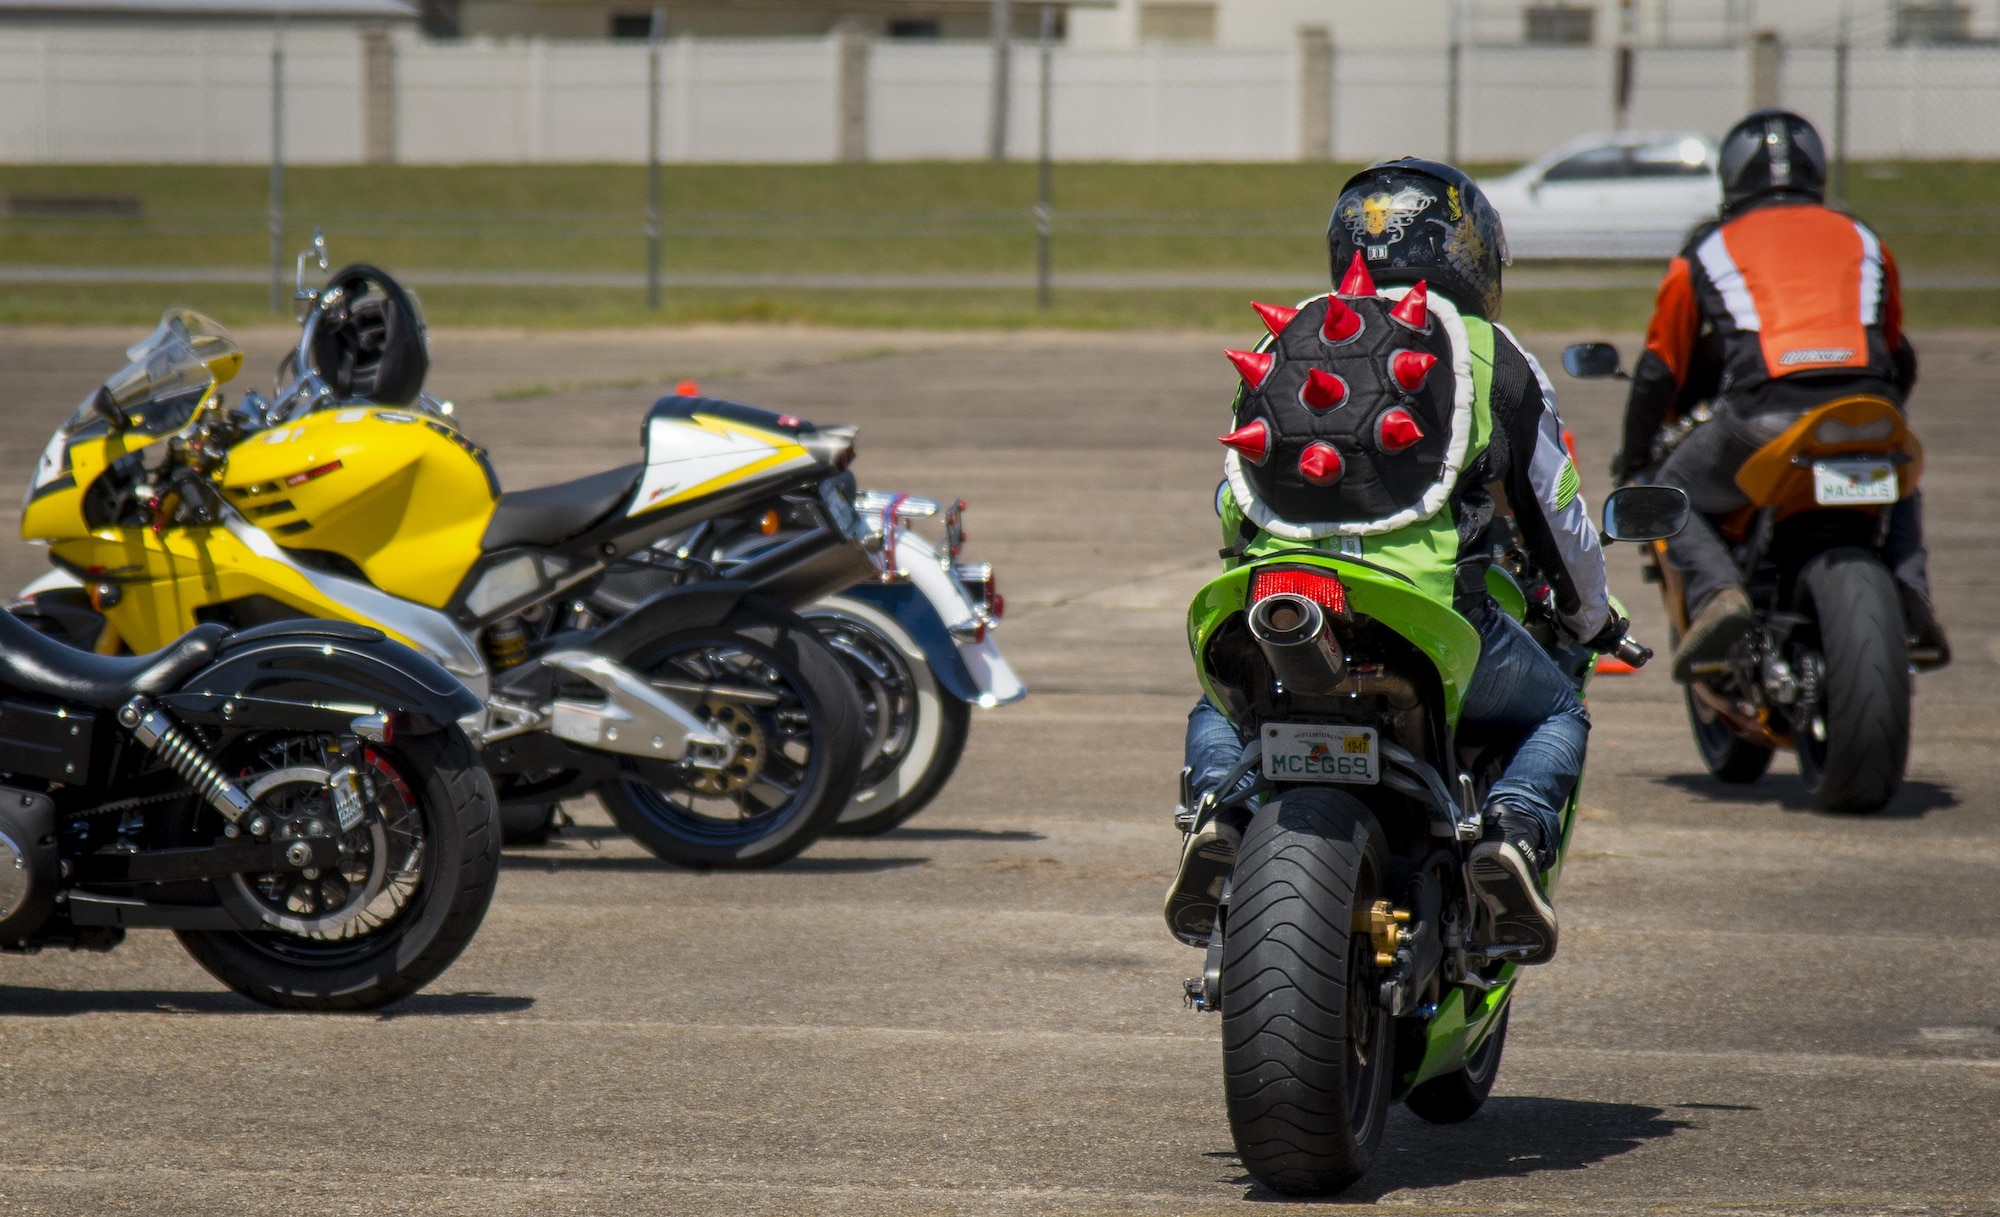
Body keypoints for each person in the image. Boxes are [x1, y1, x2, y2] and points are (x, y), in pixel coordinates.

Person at [1165, 158, 1623, 966]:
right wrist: (1591, 619)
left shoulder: (1288, 334)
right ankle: (1512, 833)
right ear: (1469, 253)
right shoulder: (1488, 350)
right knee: (1557, 713)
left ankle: (1218, 813)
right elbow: (1555, 509)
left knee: (1223, 697)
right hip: (1431, 615)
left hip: (1278, 596)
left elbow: (1234, 497)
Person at [1615, 109, 1947, 679]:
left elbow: (1658, 370)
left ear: (1733, 177)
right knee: (1898, 477)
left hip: (1763, 416)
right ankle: (1910, 587)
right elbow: (1898, 353)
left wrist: (1635, 456)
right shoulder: (1863, 238)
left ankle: (1721, 596)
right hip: (1865, 407)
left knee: (1668, 489)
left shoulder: (1707, 250)